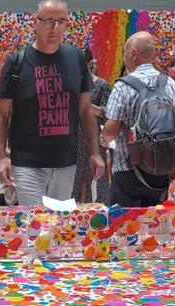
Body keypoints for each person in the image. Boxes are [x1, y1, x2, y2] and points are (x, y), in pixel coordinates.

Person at [0, 0, 103, 206]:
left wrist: (95, 152)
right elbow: (1, 115)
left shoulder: (76, 58)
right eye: (49, 21)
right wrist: (1, 158)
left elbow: (85, 110)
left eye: (61, 21)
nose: (55, 28)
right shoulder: (17, 62)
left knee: (58, 227)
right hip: (27, 163)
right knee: (35, 226)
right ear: (35, 23)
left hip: (65, 162)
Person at [100, 31, 175, 208]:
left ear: (133, 53)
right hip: (161, 169)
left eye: (124, 52)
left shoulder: (123, 86)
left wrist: (102, 139)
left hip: (127, 169)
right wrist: (173, 157)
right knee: (154, 225)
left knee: (123, 227)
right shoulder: (169, 83)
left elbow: (111, 131)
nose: (124, 58)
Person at [76, 47, 111, 204]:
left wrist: (85, 104)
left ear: (90, 63)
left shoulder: (102, 86)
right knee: (73, 186)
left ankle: (97, 223)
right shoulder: (69, 85)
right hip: (72, 143)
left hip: (93, 142)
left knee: (97, 184)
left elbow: (108, 115)